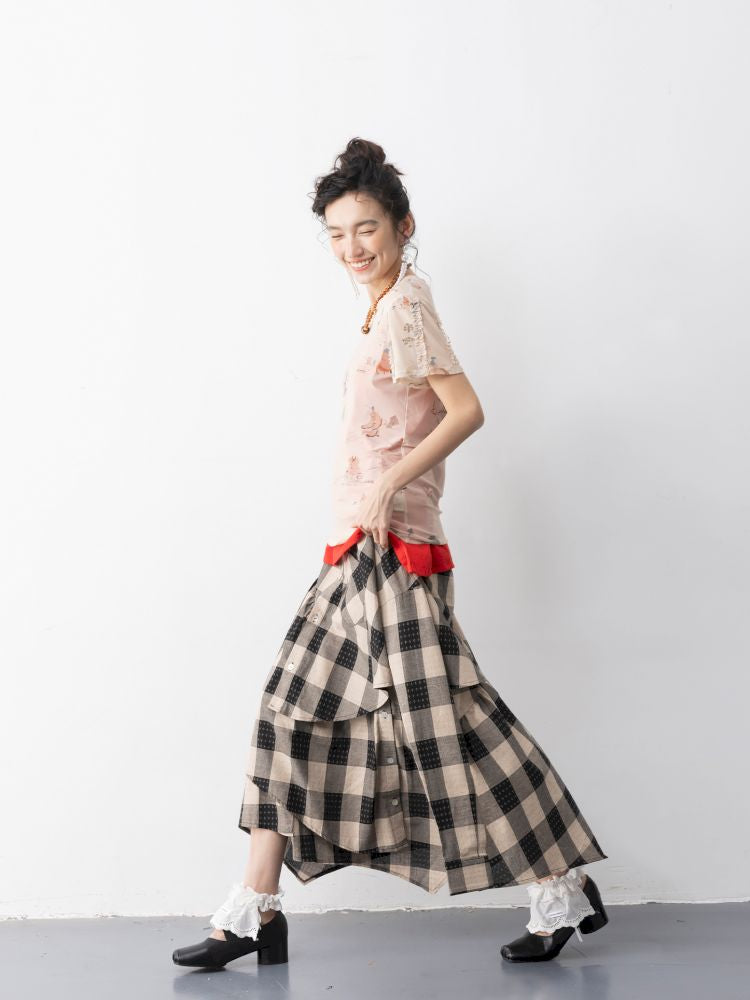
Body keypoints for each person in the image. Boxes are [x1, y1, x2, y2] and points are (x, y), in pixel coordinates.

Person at [172, 138, 610, 971]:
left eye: (366, 227)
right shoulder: (381, 308)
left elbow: (466, 409)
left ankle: (557, 884)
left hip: (396, 551)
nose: (351, 246)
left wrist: (388, 486)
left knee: (448, 725)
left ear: (404, 227)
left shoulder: (405, 305)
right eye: (337, 234)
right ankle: (256, 907)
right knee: (292, 711)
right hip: (358, 549)